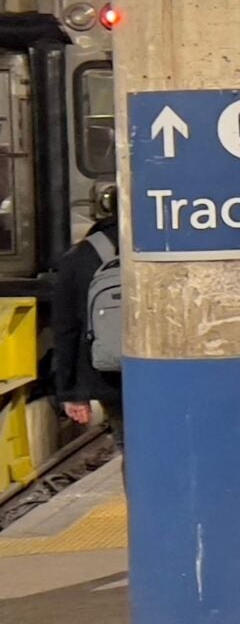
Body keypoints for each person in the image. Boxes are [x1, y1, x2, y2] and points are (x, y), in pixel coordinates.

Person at [50, 183, 121, 447]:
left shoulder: (81, 255)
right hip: (169, 368)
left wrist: (72, 392)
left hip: (109, 372)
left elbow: (66, 328)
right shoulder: (170, 245)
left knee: (130, 444)